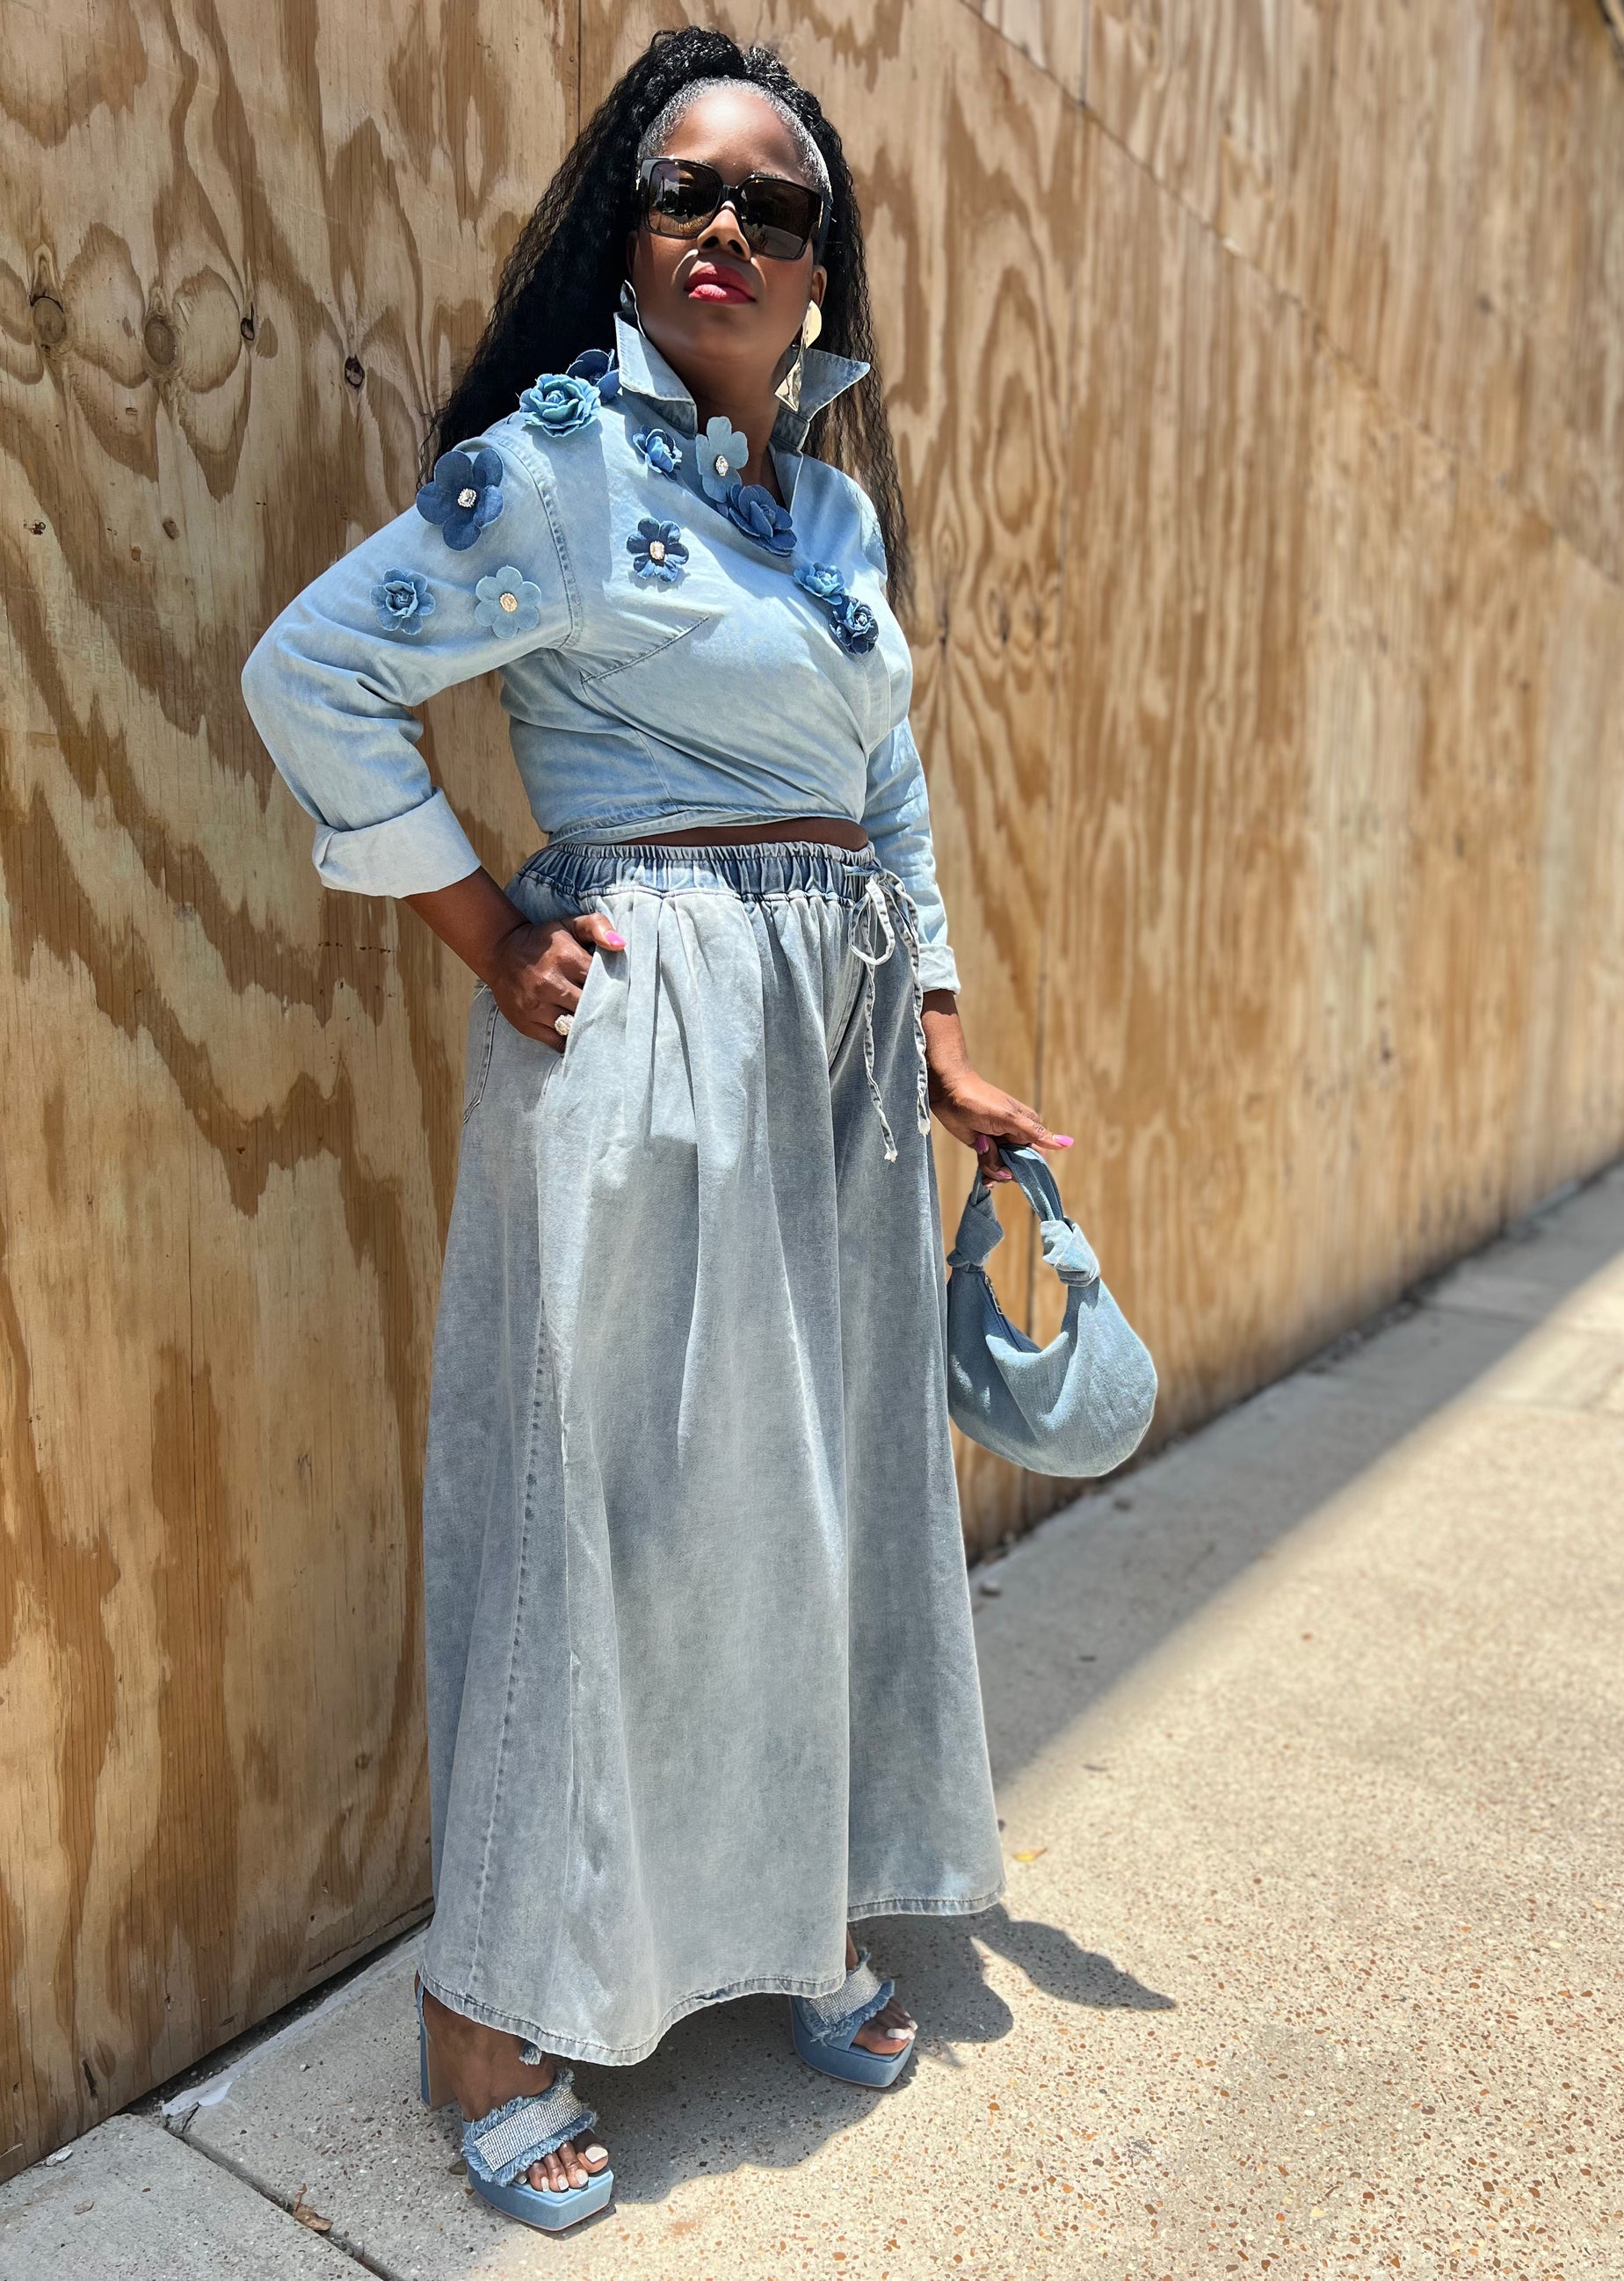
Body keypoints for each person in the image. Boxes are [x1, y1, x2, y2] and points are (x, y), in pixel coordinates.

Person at [241, 24, 1071, 2234]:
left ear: (818, 271)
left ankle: (795, 1905)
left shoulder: (834, 511)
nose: (724, 228)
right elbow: (313, 673)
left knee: (813, 1497)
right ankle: (491, 2014)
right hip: (646, 1034)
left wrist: (941, 1031)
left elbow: (883, 788)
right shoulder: (557, 474)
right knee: (599, 1512)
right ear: (627, 235)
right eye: (682, 190)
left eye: (771, 206)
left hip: (833, 1060)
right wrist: (485, 930)